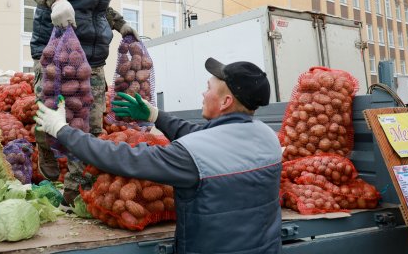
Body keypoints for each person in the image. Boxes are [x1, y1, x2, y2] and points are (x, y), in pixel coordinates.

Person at [34, 57, 283, 253]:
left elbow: (123, 158)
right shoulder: (268, 137)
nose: (203, 94)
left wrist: (63, 131)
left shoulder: (193, 156)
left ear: (226, 101)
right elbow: (201, 134)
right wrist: (156, 116)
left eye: (208, 88)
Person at [24, 0, 138, 205]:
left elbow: (97, 8)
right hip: (55, 52)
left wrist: (120, 23)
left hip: (93, 59)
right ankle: (45, 147)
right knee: (48, 113)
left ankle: (76, 194)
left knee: (91, 126)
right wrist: (56, 0)